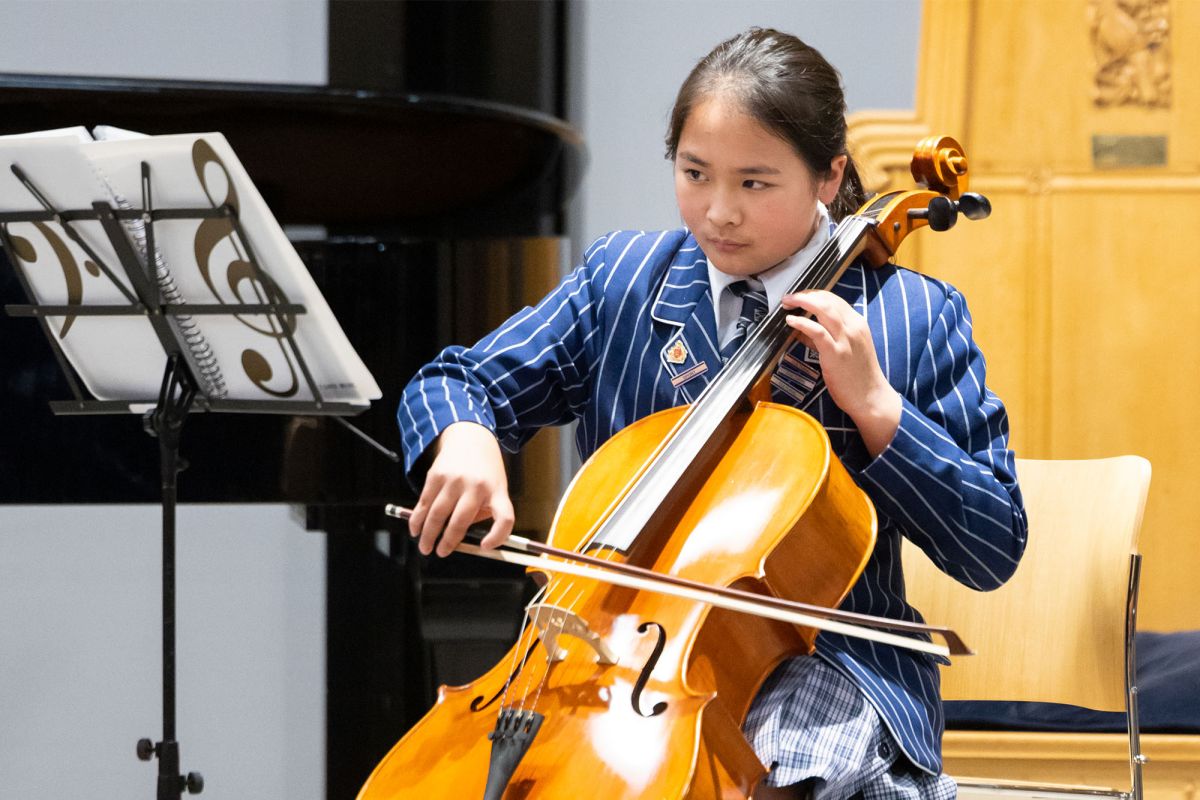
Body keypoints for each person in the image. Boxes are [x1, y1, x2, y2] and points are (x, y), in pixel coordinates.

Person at [398, 27, 1026, 800]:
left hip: (827, 668)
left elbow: (992, 544)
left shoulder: (910, 318)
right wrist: (465, 434)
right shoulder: (626, 280)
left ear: (829, 178)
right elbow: (456, 379)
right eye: (695, 174)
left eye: (755, 184)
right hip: (606, 658)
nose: (718, 212)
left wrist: (878, 409)